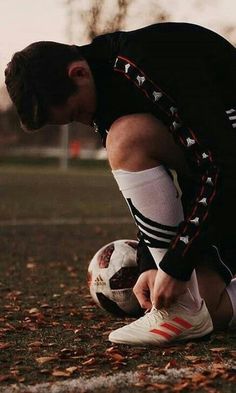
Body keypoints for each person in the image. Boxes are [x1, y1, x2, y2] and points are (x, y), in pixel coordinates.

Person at [5, 22, 236, 346]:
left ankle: (181, 310)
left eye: (77, 113)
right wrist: (151, 263)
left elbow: (222, 165)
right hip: (222, 180)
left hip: (229, 170)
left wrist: (177, 262)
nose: (85, 122)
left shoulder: (146, 63)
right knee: (207, 307)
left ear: (78, 74)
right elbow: (183, 177)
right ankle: (186, 308)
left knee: (126, 138)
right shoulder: (103, 91)